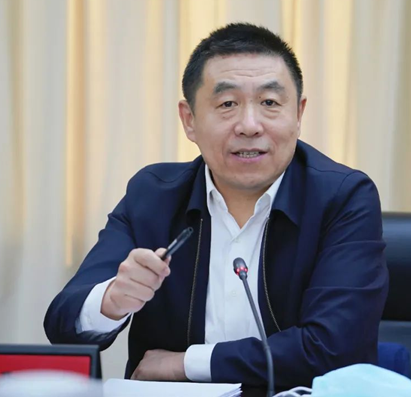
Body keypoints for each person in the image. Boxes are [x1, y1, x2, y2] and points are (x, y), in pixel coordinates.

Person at [44, 23, 388, 388]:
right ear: (189, 120)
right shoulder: (153, 195)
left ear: (299, 114)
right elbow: (63, 325)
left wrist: (186, 364)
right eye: (227, 104)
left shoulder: (343, 198)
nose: (250, 125)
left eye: (270, 103)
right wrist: (112, 301)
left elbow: (334, 349)